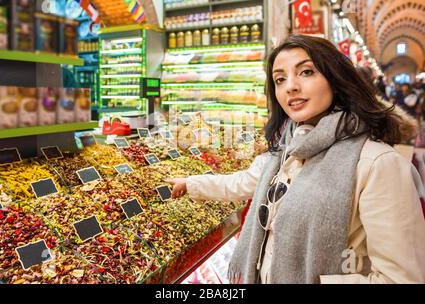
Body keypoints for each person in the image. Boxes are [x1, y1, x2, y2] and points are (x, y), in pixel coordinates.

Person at [167, 35, 425, 284]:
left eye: (306, 72)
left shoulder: (378, 164)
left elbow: (401, 278)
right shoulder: (286, 152)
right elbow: (245, 182)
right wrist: (190, 183)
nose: (290, 86)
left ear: (336, 80)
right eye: (279, 79)